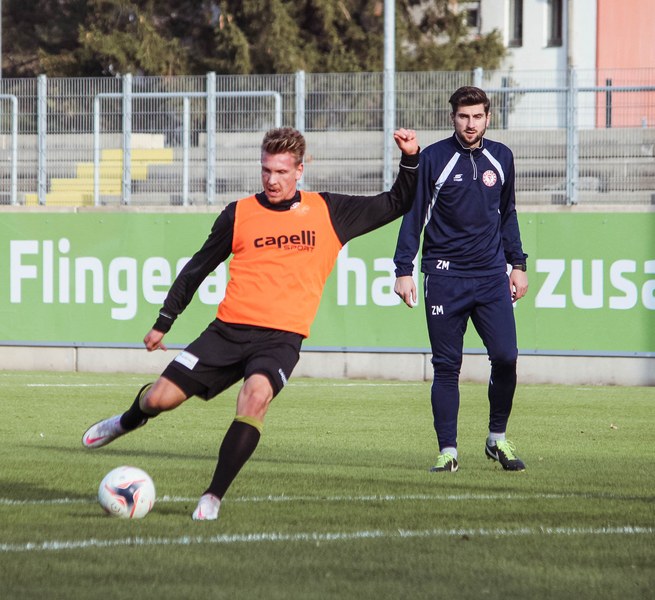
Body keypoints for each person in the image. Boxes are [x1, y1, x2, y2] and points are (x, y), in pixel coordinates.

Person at [83, 126, 419, 520]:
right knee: (159, 399)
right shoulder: (239, 213)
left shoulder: (330, 211)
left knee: (256, 396)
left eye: (281, 172)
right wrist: (164, 321)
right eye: (266, 171)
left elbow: (397, 202)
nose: (272, 180)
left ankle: (212, 496)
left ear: (300, 170)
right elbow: (197, 268)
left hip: (281, 338)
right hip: (227, 331)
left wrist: (410, 157)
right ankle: (125, 421)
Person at [393, 86, 528, 474]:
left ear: (488, 118)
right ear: (453, 117)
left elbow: (507, 214)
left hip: (490, 277)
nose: (471, 124)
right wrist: (403, 270)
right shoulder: (433, 158)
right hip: (444, 277)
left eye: (477, 117)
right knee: (446, 366)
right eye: (464, 117)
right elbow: (414, 216)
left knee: (506, 357)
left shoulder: (502, 157)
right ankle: (448, 451)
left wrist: (518, 264)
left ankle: (496, 439)